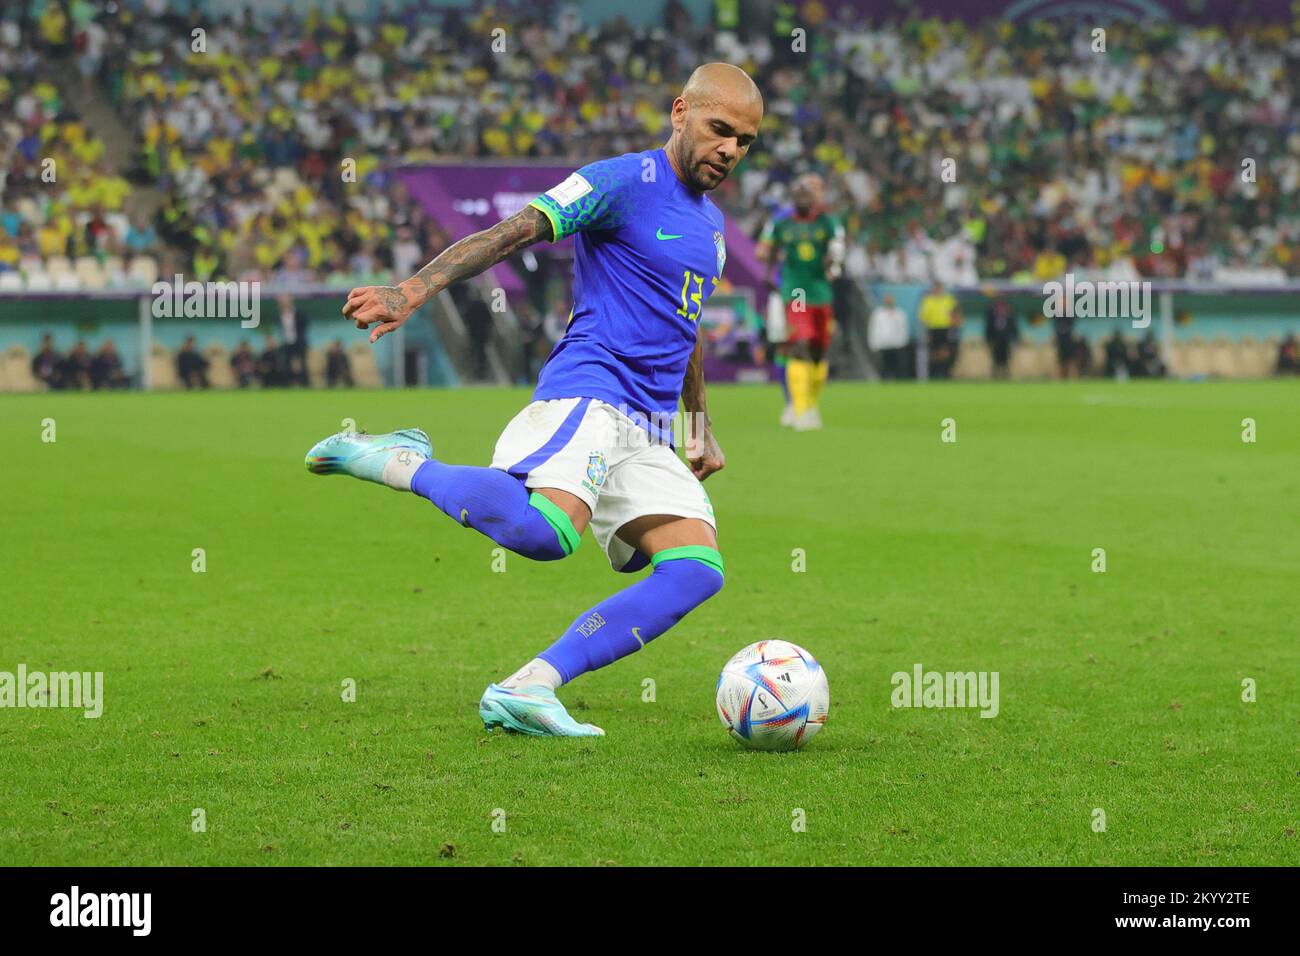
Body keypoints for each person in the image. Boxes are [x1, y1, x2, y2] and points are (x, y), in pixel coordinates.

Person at [306, 63, 762, 737]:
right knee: (544, 534)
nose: (729, 149)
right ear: (679, 113)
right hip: (591, 391)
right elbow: (514, 230)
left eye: (744, 141)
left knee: (696, 570)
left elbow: (685, 328)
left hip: (647, 426)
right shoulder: (621, 182)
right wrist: (415, 289)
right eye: (719, 129)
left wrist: (698, 424)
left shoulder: (715, 231)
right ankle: (398, 461)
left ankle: (531, 686)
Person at [756, 173, 844, 429]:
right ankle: (798, 407)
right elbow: (765, 251)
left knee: (819, 350)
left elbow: (838, 251)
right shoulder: (781, 223)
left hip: (821, 293)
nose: (804, 198)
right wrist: (768, 274)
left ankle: (810, 405)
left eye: (811, 192)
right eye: (801, 194)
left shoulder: (828, 222)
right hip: (794, 293)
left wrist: (833, 265)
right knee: (797, 345)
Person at [918, 280, 958, 379]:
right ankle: (934, 372)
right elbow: (923, 316)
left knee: (945, 351)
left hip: (945, 328)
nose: (937, 290)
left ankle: (944, 372)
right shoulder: (928, 300)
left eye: (939, 288)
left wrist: (954, 324)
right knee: (933, 352)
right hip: (932, 328)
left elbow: (955, 313)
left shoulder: (949, 299)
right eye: (935, 288)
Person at [867, 292, 909, 379]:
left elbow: (904, 329)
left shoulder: (899, 313)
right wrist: (873, 343)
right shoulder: (878, 314)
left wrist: (903, 342)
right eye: (887, 299)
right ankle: (884, 380)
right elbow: (873, 328)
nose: (889, 301)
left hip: (897, 344)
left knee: (897, 365)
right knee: (884, 366)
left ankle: (898, 382)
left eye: (890, 299)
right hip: (883, 344)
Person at [983, 294, 1019, 380]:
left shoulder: (1009, 311)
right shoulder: (991, 311)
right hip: (995, 338)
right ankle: (995, 374)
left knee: (1006, 356)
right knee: (995, 356)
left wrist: (1015, 337)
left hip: (1006, 338)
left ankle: (1006, 374)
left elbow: (1013, 325)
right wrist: (988, 338)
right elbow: (988, 326)